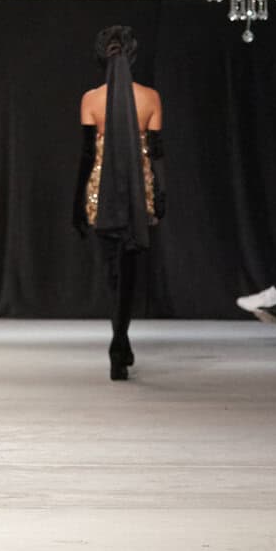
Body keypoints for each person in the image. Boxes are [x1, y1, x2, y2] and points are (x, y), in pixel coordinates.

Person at [74, 24, 166, 381]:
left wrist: (76, 202)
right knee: (128, 271)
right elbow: (156, 154)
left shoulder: (91, 99)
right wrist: (161, 195)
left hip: (101, 193)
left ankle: (119, 341)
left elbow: (87, 155)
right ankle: (120, 340)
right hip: (139, 195)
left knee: (113, 272)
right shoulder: (150, 98)